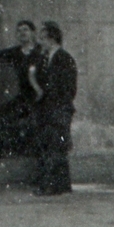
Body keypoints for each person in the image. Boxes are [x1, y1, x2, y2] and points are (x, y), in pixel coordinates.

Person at [31, 21, 78, 197]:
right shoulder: (44, 59)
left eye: (43, 38)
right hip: (47, 108)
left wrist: (57, 105)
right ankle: (58, 185)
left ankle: (53, 185)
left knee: (56, 146)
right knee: (51, 145)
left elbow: (69, 88)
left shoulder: (65, 59)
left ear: (52, 39)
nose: (40, 41)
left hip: (59, 109)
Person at [0, 20, 43, 158]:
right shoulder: (16, 52)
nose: (22, 33)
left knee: (38, 124)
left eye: (26, 30)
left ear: (33, 33)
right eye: (19, 30)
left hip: (41, 97)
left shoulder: (41, 50)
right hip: (24, 97)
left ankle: (38, 155)